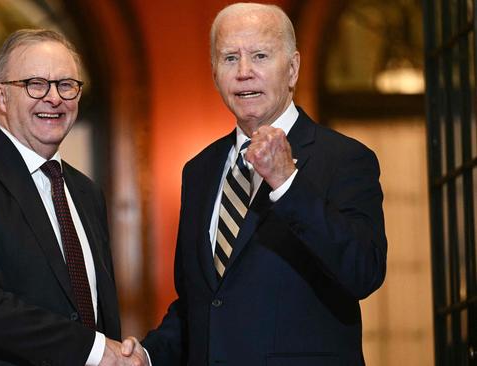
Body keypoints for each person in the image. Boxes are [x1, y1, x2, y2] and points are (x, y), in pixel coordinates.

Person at [132, 3, 388, 365]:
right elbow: (201, 302)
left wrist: (287, 182)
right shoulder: (199, 170)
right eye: (229, 58)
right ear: (214, 72)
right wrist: (147, 354)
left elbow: (364, 272)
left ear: (293, 68)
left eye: (260, 55)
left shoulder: (345, 159)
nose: (244, 72)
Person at [0, 29, 146, 365]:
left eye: (66, 84)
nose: (54, 98)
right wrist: (95, 350)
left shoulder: (86, 192)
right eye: (35, 84)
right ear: (1, 97)